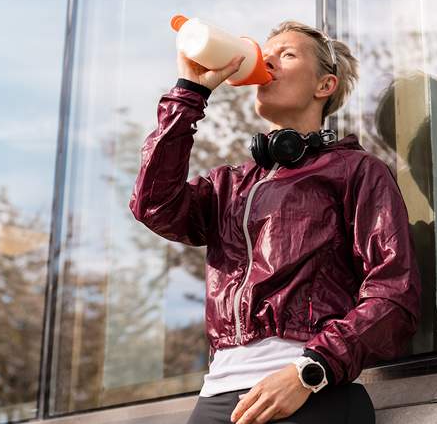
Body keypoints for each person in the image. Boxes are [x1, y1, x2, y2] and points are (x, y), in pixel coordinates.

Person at [129, 21, 421, 423]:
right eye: (265, 56)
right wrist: (189, 93)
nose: (268, 63)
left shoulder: (356, 171)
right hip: (217, 398)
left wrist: (309, 371)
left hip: (310, 393)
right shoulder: (227, 185)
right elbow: (153, 204)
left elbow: (394, 295)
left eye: (287, 54)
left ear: (324, 86)